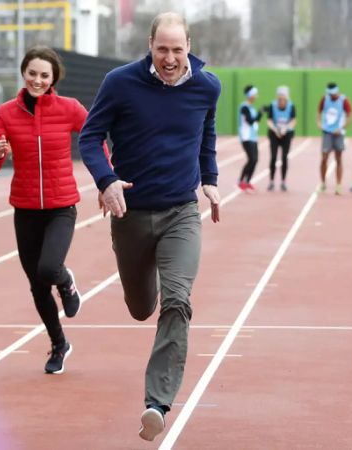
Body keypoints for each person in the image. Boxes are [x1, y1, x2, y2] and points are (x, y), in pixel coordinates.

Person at [77, 12, 221, 443]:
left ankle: (156, 403)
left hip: (181, 212)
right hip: (131, 215)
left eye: (178, 50)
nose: (170, 58)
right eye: (163, 49)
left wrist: (209, 180)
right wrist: (106, 181)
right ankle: (148, 283)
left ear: (189, 46)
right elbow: (90, 136)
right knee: (142, 307)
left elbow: (206, 133)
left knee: (177, 302)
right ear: (150, 45)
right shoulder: (120, 82)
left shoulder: (207, 86)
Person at [0, 46, 90, 375]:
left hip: (61, 206)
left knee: (49, 268)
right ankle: (59, 344)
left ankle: (67, 282)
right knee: (37, 285)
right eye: (33, 73)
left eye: (45, 75)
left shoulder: (70, 108)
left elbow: (95, 138)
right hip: (26, 208)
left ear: (53, 78)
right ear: (24, 73)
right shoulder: (6, 113)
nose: (38, 80)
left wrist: (108, 177)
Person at [317, 82, 352, 195]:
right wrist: (319, 123)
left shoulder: (343, 100)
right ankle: (323, 184)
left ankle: (338, 185)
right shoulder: (325, 99)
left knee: (338, 159)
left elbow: (350, 115)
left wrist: (342, 127)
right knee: (324, 158)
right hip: (327, 132)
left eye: (334, 94)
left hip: (338, 133)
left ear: (337, 91)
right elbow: (318, 112)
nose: (332, 96)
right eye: (330, 94)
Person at [264, 86, 296, 191]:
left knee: (284, 157)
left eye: (283, 98)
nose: (281, 100)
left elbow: (293, 120)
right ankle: (271, 181)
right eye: (280, 98)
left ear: (287, 98)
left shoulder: (291, 106)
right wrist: (275, 129)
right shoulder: (273, 106)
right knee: (273, 157)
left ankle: (283, 181)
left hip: (286, 134)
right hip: (274, 134)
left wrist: (285, 129)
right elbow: (269, 120)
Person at [238, 85, 262, 192]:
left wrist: (260, 114)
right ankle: (241, 181)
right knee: (251, 159)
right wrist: (260, 113)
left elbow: (256, 121)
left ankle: (247, 181)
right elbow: (250, 121)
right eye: (255, 94)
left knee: (255, 160)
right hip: (246, 137)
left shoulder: (251, 107)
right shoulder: (244, 107)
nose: (256, 96)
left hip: (253, 137)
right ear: (250, 95)